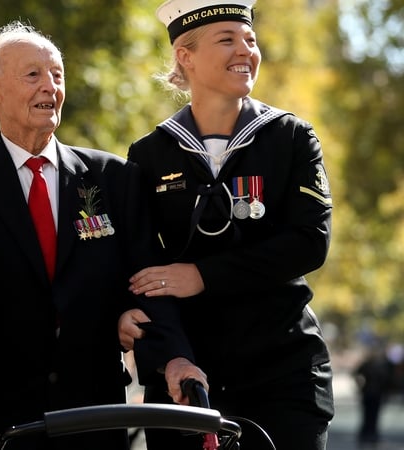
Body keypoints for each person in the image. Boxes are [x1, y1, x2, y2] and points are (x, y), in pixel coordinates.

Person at [0, 20, 205, 450]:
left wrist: (172, 356)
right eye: (33, 75)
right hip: (2, 415)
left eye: (57, 75)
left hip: (95, 409)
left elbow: (147, 281)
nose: (49, 87)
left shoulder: (114, 178)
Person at [120, 1, 335, 449]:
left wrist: (201, 276)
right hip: (187, 377)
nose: (246, 50)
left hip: (282, 373)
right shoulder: (149, 153)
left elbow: (309, 243)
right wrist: (171, 357)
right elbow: (143, 267)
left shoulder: (291, 136)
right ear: (185, 56)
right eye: (227, 39)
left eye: (250, 40)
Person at [354, 344, 395, 446]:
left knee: (374, 414)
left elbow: (388, 380)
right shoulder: (368, 364)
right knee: (368, 414)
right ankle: (366, 434)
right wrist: (360, 385)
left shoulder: (383, 365)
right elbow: (356, 374)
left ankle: (371, 434)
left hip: (377, 393)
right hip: (368, 392)